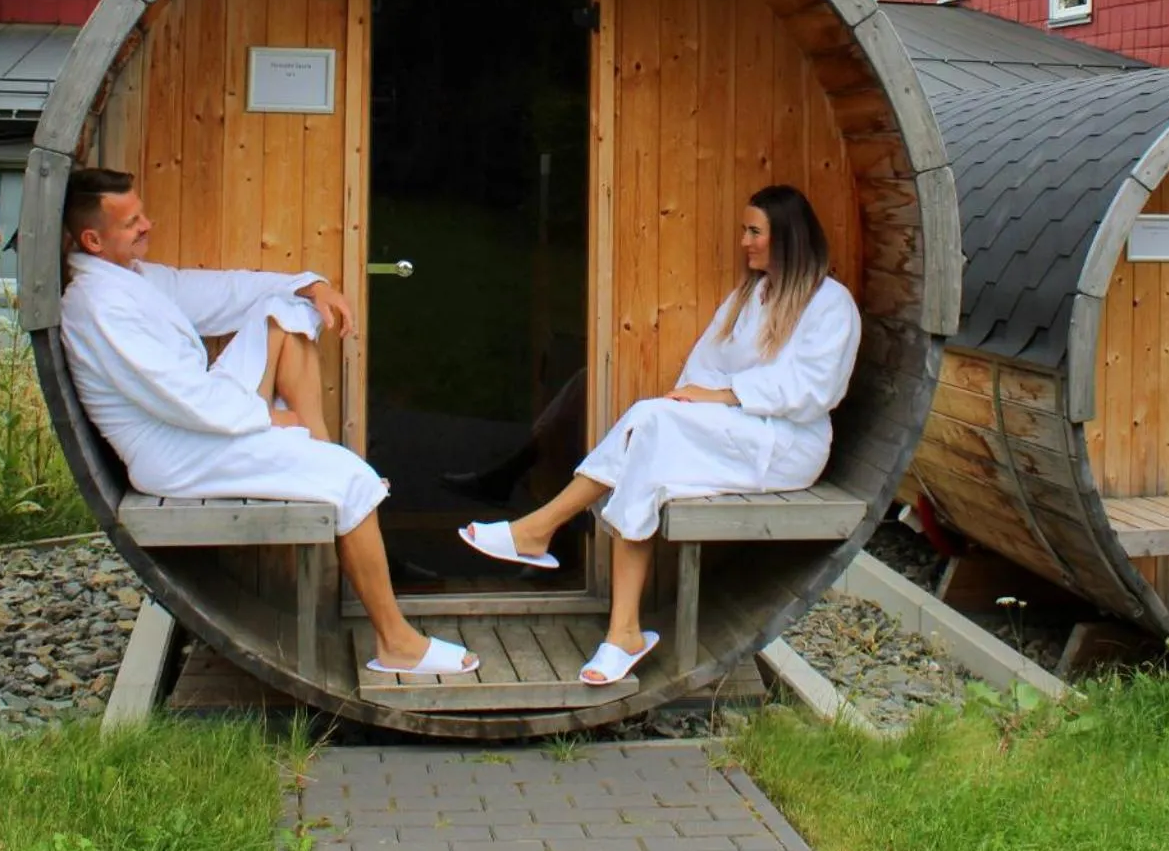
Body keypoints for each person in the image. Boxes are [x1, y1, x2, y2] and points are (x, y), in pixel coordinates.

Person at [59, 167, 477, 679]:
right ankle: (397, 644)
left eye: (143, 212)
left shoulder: (132, 279)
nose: (148, 224)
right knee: (351, 481)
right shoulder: (100, 305)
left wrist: (310, 286)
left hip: (197, 424)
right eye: (132, 222)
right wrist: (265, 418)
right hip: (176, 451)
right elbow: (178, 396)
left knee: (285, 311)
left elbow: (224, 292)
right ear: (93, 239)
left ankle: (322, 460)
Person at [459, 185, 861, 686]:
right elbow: (705, 364)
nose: (744, 242)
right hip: (732, 432)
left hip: (789, 445)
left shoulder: (830, 304)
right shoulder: (749, 297)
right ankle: (621, 630)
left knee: (650, 426)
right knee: (649, 450)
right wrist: (687, 402)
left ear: (788, 238)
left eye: (754, 231)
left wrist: (722, 397)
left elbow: (814, 390)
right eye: (745, 230)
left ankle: (541, 530)